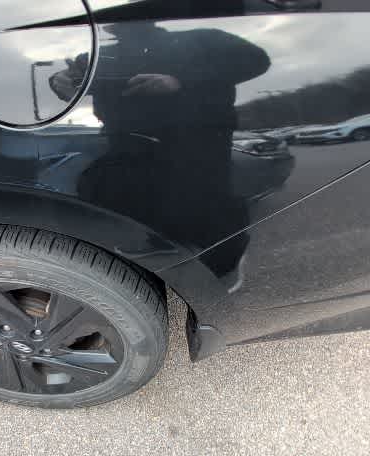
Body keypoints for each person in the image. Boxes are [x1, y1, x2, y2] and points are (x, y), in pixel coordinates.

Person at [49, 16, 270, 286]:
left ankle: (226, 262)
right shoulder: (97, 55)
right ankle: (165, 242)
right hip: (126, 136)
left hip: (197, 134)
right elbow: (71, 82)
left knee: (208, 198)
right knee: (132, 192)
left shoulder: (203, 39)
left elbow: (257, 60)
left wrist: (180, 81)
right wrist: (58, 81)